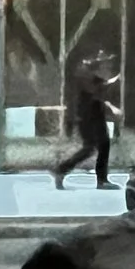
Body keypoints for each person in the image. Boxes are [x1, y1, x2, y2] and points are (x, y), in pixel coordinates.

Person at [52, 55, 120, 190]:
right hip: (88, 116)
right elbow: (96, 91)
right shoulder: (84, 74)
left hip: (93, 115)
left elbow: (99, 89)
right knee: (92, 147)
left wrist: (113, 82)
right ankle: (62, 169)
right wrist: (113, 83)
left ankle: (100, 179)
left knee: (100, 145)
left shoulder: (88, 74)